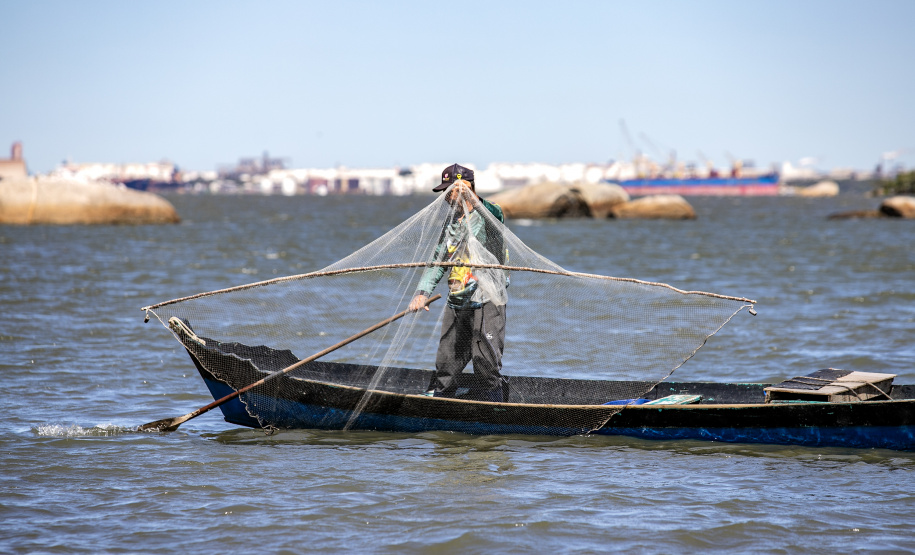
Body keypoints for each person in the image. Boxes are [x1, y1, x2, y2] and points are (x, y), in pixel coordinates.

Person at [408, 163, 510, 402]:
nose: (445, 197)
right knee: (447, 355)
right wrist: (422, 292)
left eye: (449, 191)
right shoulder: (452, 221)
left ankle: (493, 396)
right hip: (458, 297)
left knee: (484, 356)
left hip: (487, 297)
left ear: (466, 188)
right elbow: (437, 261)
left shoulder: (487, 214)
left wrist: (474, 200)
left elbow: (497, 216)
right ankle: (443, 394)